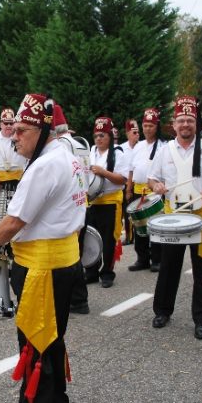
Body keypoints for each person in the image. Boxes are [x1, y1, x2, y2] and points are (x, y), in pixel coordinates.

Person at [0, 93, 87, 403]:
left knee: (35, 341)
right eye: (13, 130)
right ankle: (57, 400)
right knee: (54, 335)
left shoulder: (45, 165)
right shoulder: (70, 154)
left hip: (40, 270)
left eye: (21, 131)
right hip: (64, 262)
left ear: (42, 130)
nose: (14, 137)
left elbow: (14, 220)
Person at [148, 96, 202, 340]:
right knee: (169, 267)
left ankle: (200, 320)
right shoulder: (164, 150)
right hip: (175, 216)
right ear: (174, 124)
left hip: (201, 215)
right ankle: (162, 311)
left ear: (196, 123)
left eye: (189, 120)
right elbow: (152, 178)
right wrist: (157, 186)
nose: (185, 125)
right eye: (181, 120)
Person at [52, 104, 91, 315]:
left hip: (67, 204)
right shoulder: (80, 143)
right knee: (77, 251)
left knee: (69, 255)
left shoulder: (61, 146)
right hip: (82, 200)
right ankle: (79, 299)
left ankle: (77, 299)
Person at [85, 116, 128, 288]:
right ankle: (91, 271)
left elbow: (122, 179)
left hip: (110, 202)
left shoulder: (117, 153)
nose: (99, 139)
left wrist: (104, 172)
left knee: (109, 239)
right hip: (93, 202)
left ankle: (107, 273)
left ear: (110, 136)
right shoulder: (92, 151)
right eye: (96, 136)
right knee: (90, 238)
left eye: (102, 135)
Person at [127, 107, 164, 272]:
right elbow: (131, 170)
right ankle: (142, 258)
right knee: (139, 226)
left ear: (157, 126)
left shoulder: (163, 146)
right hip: (138, 190)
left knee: (155, 226)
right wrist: (128, 189)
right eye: (145, 125)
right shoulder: (138, 146)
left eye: (151, 125)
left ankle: (157, 259)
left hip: (154, 191)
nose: (147, 128)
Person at [119, 119, 140, 245]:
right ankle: (129, 236)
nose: (137, 135)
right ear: (127, 133)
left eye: (138, 132)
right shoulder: (122, 148)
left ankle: (140, 235)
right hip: (126, 183)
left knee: (138, 212)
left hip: (138, 184)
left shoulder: (142, 147)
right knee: (127, 212)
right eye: (134, 132)